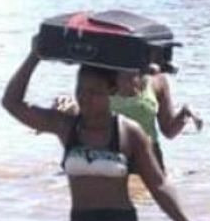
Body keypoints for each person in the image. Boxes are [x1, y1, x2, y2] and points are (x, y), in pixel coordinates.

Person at [2, 37, 210, 221]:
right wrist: (34, 56)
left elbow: (159, 186)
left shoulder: (129, 132)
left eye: (94, 92)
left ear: (112, 93)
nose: (84, 98)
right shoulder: (66, 127)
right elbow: (11, 103)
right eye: (80, 90)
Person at [56, 68, 202, 172]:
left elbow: (168, 131)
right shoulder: (103, 76)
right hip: (111, 155)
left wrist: (184, 113)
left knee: (149, 206)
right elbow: (88, 121)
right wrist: (70, 111)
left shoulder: (157, 80)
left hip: (149, 158)